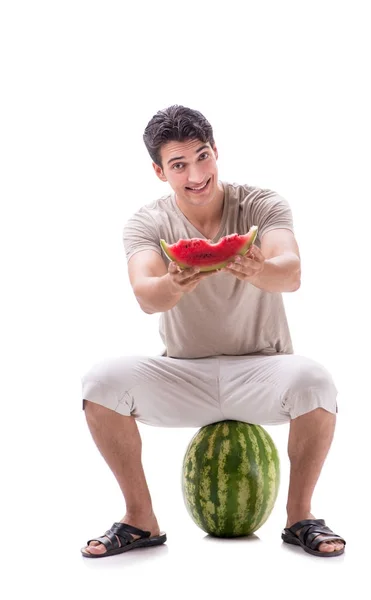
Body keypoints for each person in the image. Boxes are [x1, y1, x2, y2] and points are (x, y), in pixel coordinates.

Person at [80, 105, 346, 559]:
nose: (196, 173)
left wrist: (259, 268)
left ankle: (300, 517)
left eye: (202, 157)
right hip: (185, 375)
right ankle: (140, 518)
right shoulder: (147, 223)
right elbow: (146, 295)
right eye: (179, 165)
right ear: (159, 171)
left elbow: (292, 271)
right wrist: (173, 282)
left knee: (317, 383)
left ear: (216, 151)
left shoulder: (261, 204)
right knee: (100, 382)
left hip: (264, 371)